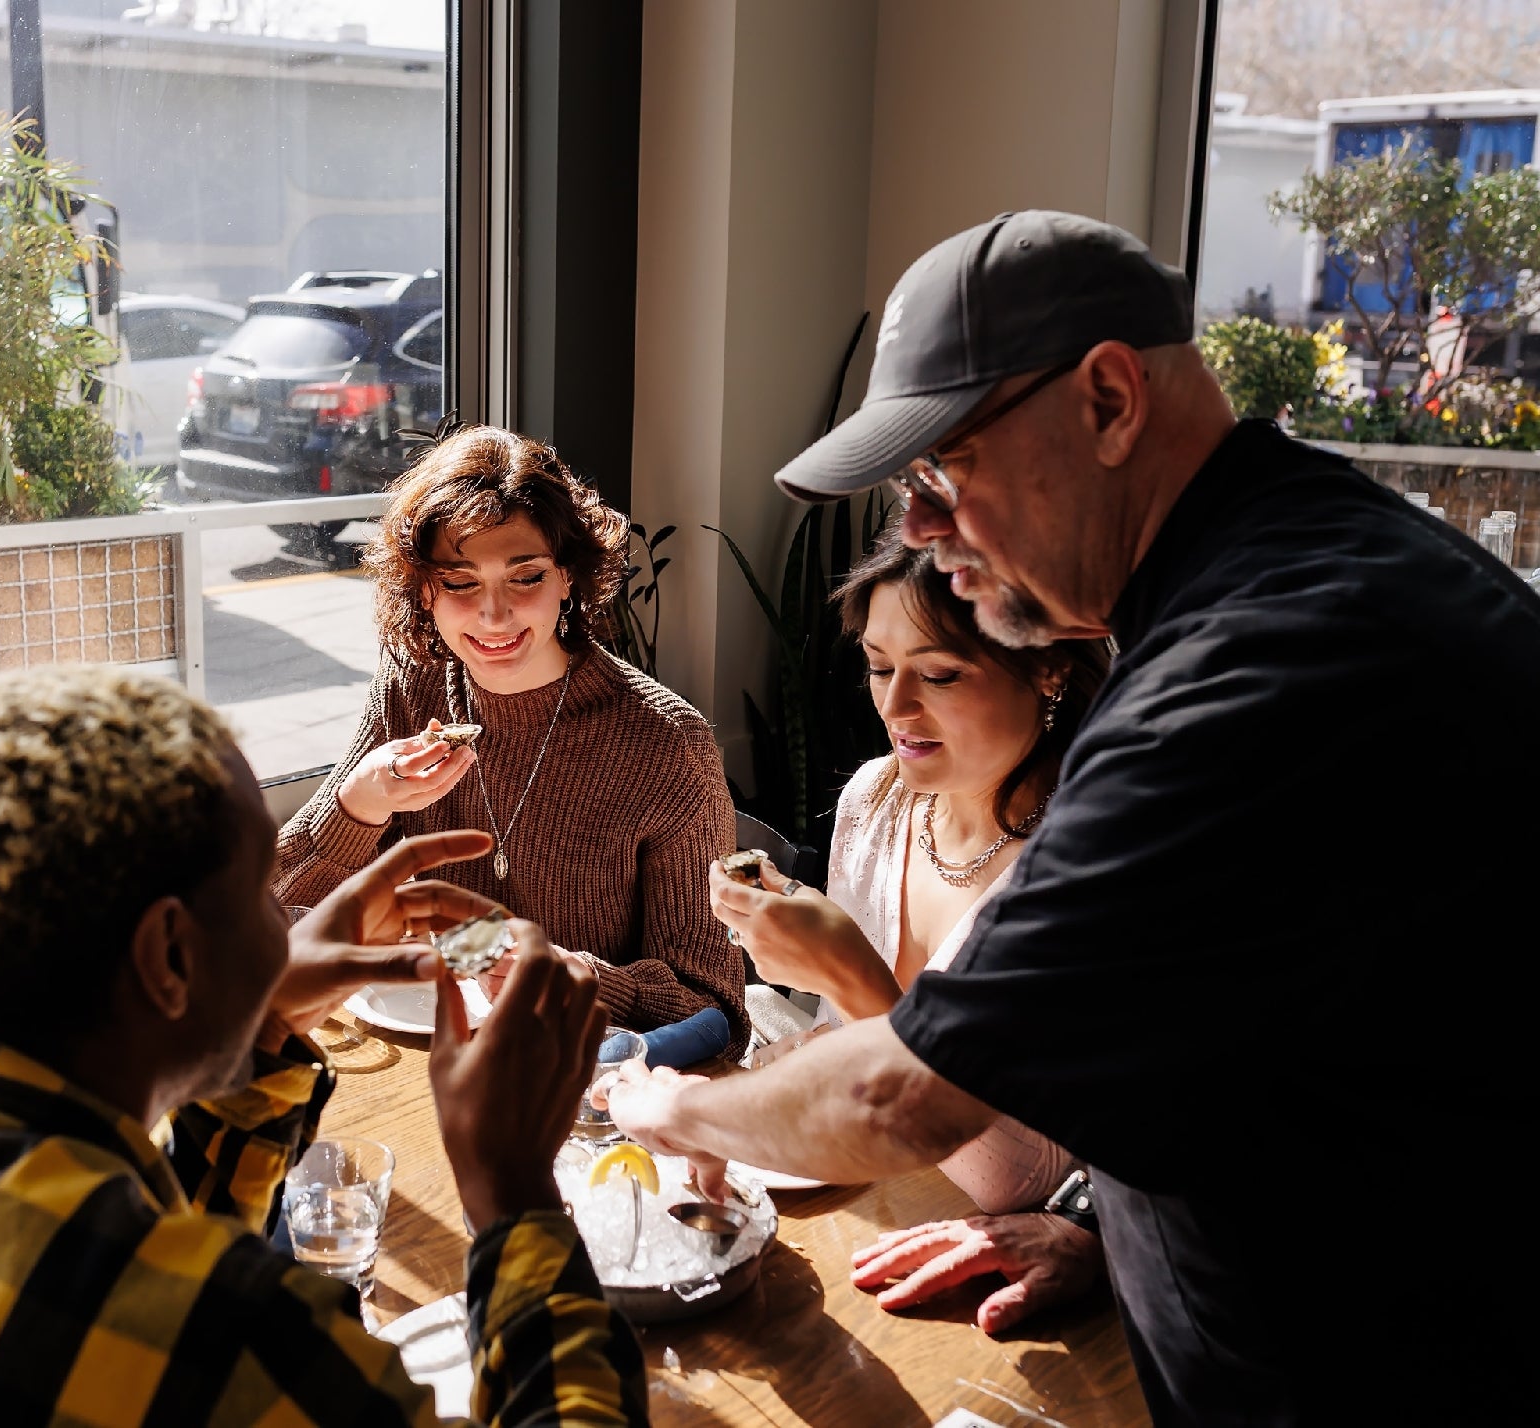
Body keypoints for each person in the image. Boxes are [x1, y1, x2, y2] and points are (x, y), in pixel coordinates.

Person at [608, 210, 1537, 1422]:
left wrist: (664, 1106)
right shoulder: (1286, 569)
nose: (924, 537)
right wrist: (1093, 1225)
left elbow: (904, 1096)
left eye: (946, 473)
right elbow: (1232, 1007)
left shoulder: (1254, 670)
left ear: (1105, 399)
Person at [0, 664, 649, 1427]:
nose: (284, 927)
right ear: (168, 955)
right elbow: (179, 1305)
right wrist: (511, 1194)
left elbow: (137, 1251)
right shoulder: (239, 1338)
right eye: (260, 895)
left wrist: (257, 1027)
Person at [721, 525, 1109, 1331]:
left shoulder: (1086, 869)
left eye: (938, 673)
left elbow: (1012, 1181)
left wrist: (853, 978)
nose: (895, 709)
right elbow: (836, 1053)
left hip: (998, 1276)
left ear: (1048, 670)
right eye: (877, 666)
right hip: (852, 1210)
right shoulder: (875, 799)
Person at [275, 424, 744, 1036]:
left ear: (569, 577)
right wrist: (356, 806)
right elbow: (274, 908)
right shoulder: (410, 694)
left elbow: (715, 1008)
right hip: (434, 1047)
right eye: (461, 583)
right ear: (424, 592)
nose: (494, 615)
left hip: (584, 1087)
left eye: (526, 577)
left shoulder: (665, 744)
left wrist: (573, 977)